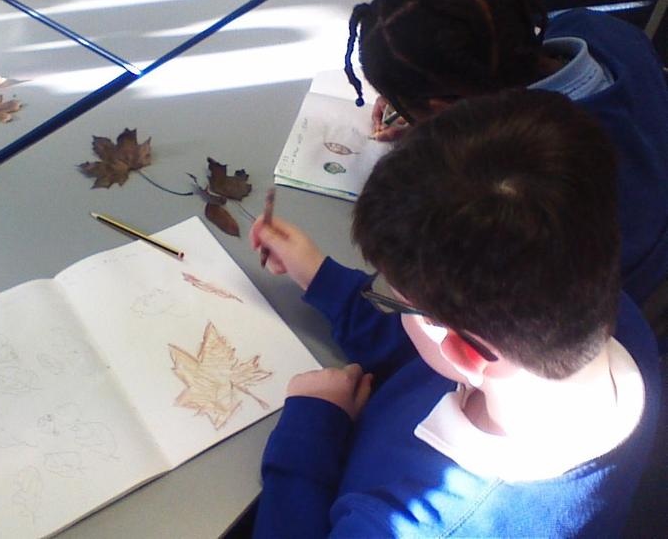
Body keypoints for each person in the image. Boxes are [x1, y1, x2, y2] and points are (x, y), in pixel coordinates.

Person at [250, 90, 660, 537]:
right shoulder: (607, 315)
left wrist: (310, 430)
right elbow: (424, 350)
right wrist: (319, 276)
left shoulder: (408, 524)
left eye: (393, 298)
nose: (393, 304)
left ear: (465, 352)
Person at [344, 0, 668, 306]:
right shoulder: (593, 26)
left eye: (410, 111)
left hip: (616, 299)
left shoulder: (533, 180)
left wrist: (442, 132)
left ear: (445, 109)